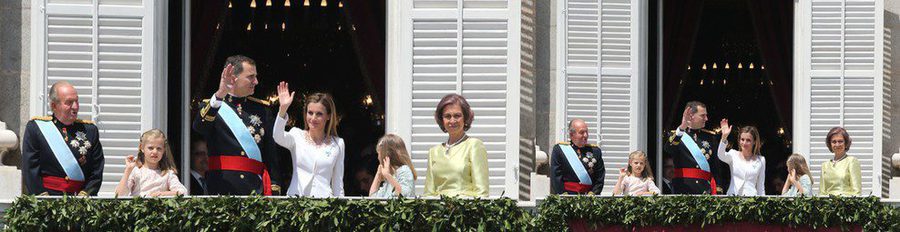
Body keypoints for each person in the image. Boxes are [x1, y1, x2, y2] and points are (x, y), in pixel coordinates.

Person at [193, 55, 282, 195]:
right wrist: (219, 95)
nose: (256, 81)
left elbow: (271, 154)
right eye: (251, 77)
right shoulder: (213, 105)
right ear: (234, 78)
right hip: (221, 188)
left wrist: (274, 186)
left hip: (255, 188)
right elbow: (199, 127)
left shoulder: (262, 110)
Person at [21, 81, 105, 196]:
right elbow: (30, 169)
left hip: (80, 201)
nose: (75, 107)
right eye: (69, 102)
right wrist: (42, 199)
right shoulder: (36, 128)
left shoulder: (90, 130)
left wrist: (85, 194)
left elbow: (96, 170)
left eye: (76, 101)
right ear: (54, 106)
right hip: (48, 199)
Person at [273, 82, 345, 197]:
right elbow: (277, 137)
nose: (313, 118)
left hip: (325, 205)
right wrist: (283, 109)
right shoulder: (297, 135)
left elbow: (338, 183)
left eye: (319, 114)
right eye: (310, 113)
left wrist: (340, 209)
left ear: (328, 116)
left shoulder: (338, 143)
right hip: (297, 202)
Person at [424, 94, 489, 197]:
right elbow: (428, 194)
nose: (452, 121)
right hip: (438, 211)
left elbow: (482, 193)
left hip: (466, 210)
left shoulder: (474, 145)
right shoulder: (434, 152)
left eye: (457, 116)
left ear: (465, 118)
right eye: (447, 116)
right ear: (442, 120)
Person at [663, 101, 721, 194]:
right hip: (683, 189)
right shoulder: (677, 135)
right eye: (702, 115)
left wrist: (718, 187)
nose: (706, 118)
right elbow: (668, 149)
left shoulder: (710, 137)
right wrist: (682, 127)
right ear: (691, 115)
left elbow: (716, 167)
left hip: (705, 190)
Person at [114, 129, 187, 197]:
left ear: (164, 150)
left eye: (159, 148)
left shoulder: (168, 174)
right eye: (150, 148)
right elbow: (119, 195)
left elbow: (183, 192)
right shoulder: (136, 172)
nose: (155, 152)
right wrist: (128, 170)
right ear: (142, 148)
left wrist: (163, 194)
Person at [549, 119, 605, 195]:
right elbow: (556, 177)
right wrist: (564, 197)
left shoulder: (595, 151)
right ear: (572, 135)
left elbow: (599, 177)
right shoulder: (560, 150)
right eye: (582, 132)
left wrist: (593, 194)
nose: (585, 135)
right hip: (567, 197)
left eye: (586, 132)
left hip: (589, 198)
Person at [717, 120, 766, 196]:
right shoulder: (733, 154)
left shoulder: (761, 160)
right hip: (733, 199)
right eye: (742, 139)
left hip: (751, 200)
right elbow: (720, 155)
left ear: (754, 142)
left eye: (748, 140)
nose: (744, 143)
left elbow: (761, 186)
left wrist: (762, 204)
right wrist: (724, 137)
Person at [820, 127, 862, 196]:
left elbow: (856, 191)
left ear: (846, 143)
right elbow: (822, 192)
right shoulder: (825, 165)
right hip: (827, 205)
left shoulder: (851, 161)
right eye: (834, 142)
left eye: (840, 141)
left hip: (846, 204)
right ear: (830, 144)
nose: (837, 144)